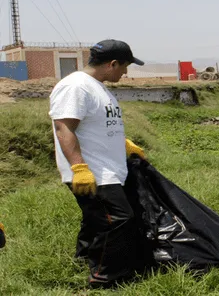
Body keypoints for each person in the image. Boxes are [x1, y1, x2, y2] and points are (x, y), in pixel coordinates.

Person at [48, 39, 146, 288]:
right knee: (118, 219)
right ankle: (105, 277)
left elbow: (96, 125)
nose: (125, 72)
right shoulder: (76, 86)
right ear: (112, 64)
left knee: (96, 218)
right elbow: (64, 127)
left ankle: (83, 260)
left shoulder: (98, 87)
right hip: (93, 171)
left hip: (108, 169)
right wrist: (79, 168)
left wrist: (123, 143)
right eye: (124, 67)